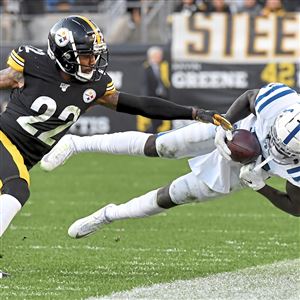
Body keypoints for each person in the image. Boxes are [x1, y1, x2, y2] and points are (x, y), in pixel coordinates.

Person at [0, 15, 230, 277]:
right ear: (64, 54)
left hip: (25, 154)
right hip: (4, 138)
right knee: (17, 186)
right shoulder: (32, 64)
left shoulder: (95, 85)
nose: (93, 61)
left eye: (95, 54)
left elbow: (140, 105)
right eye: (86, 55)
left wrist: (192, 112)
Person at [41, 83, 300, 239]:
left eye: (282, 148)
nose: (274, 147)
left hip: (246, 171)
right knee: (161, 145)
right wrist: (225, 126)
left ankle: (108, 215)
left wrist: (260, 187)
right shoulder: (282, 103)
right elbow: (249, 97)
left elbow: (296, 207)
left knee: (173, 195)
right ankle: (77, 143)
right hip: (239, 129)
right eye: (276, 139)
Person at [141, 46, 171, 133]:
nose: (160, 57)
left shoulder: (163, 67)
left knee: (162, 119)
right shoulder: (146, 68)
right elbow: (145, 85)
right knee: (153, 120)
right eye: (158, 55)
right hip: (152, 97)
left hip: (162, 97)